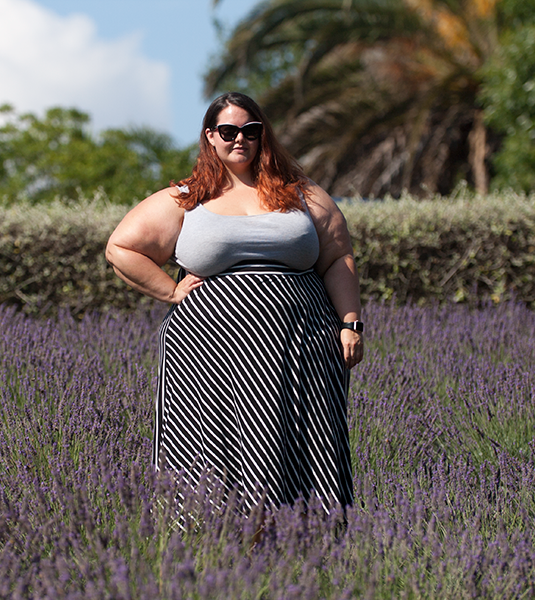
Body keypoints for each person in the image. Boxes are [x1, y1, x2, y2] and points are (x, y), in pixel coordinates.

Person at [106, 92, 362, 513]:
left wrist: (351, 323)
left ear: (263, 135)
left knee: (307, 447)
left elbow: (338, 257)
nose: (239, 139)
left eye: (250, 130)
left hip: (301, 348)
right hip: (210, 354)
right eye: (228, 131)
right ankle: (218, 555)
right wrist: (170, 292)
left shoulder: (302, 195)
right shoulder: (186, 199)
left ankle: (306, 548)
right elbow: (121, 248)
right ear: (211, 137)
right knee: (216, 455)